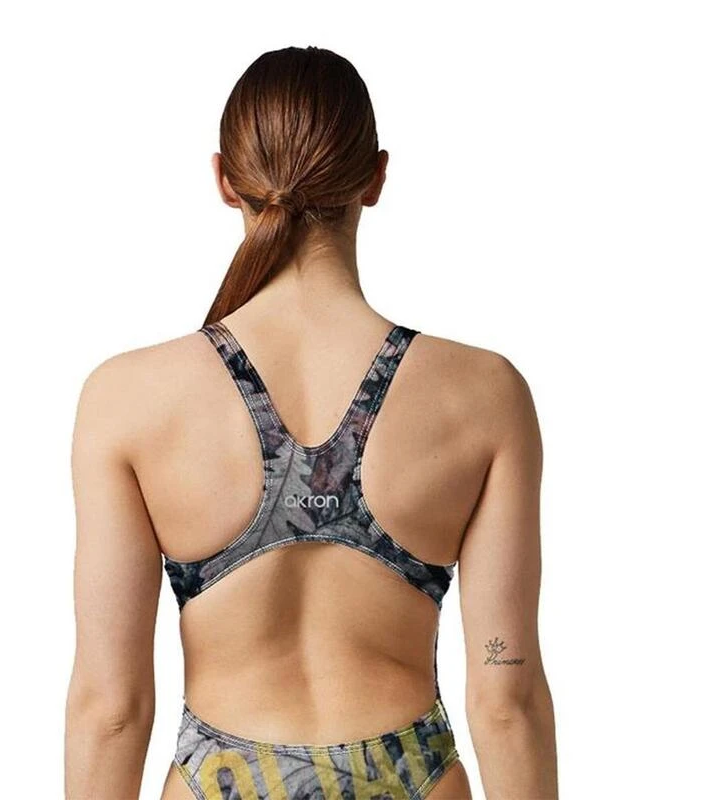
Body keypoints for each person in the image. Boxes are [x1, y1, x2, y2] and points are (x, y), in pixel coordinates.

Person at [64, 45, 558, 800]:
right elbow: (506, 697)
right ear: (376, 178)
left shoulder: (128, 399)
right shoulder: (484, 395)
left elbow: (111, 709)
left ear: (225, 180)